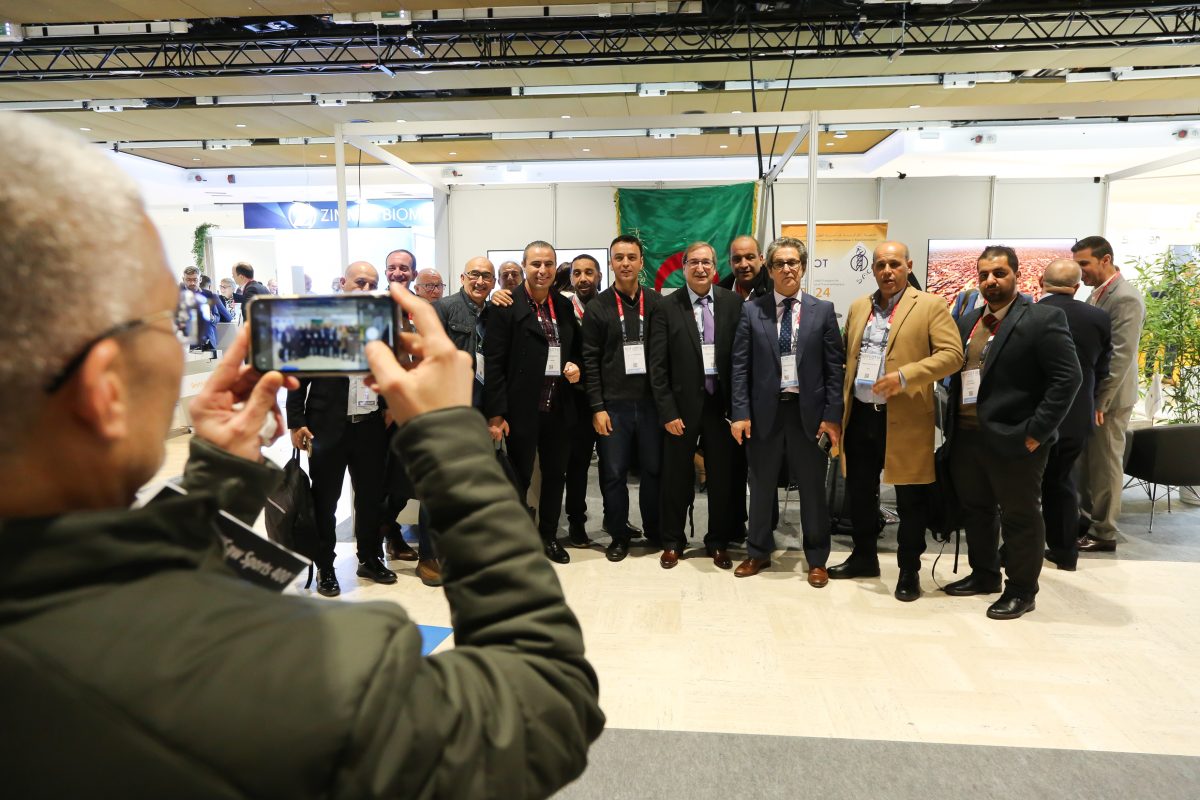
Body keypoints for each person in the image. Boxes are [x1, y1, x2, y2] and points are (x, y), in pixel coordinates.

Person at [0, 113, 603, 796]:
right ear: (104, 390)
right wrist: (452, 438)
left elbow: (135, 584)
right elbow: (543, 707)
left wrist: (215, 484)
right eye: (165, 319)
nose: (178, 343)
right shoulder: (284, 675)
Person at [943, 245, 1080, 620]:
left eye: (999, 273)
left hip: (1017, 438)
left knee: (1020, 516)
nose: (990, 280)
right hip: (968, 436)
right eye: (984, 274)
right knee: (977, 510)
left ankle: (1021, 590)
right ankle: (984, 574)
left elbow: (1068, 378)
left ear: (1017, 275)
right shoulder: (968, 321)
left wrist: (1038, 431)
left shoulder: (1042, 318)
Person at [829, 241, 963, 601]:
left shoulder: (930, 305)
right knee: (859, 493)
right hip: (860, 415)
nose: (887, 271)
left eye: (894, 264)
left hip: (905, 417)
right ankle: (863, 557)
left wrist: (905, 376)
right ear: (873, 269)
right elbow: (846, 356)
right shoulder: (859, 307)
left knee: (910, 498)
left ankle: (909, 571)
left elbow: (953, 355)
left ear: (908, 266)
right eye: (881, 265)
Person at [731, 236, 845, 586]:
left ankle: (817, 559)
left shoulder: (822, 310)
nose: (786, 269)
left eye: (792, 262)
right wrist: (740, 413)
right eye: (779, 263)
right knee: (761, 487)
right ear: (769, 269)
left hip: (808, 415)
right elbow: (740, 367)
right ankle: (758, 551)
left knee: (812, 490)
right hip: (764, 414)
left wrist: (832, 417)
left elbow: (834, 369)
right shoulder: (753, 310)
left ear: (803, 267)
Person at [286, 262, 396, 597]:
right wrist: (296, 421)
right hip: (326, 427)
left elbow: (389, 370)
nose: (366, 289)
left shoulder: (382, 324)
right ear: (343, 283)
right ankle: (326, 566)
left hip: (370, 426)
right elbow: (296, 376)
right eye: (360, 282)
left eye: (373, 283)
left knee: (370, 498)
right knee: (325, 501)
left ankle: (370, 558)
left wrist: (389, 404)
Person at [648, 242, 747, 570]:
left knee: (721, 479)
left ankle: (717, 541)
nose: (700, 268)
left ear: (715, 267)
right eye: (694, 262)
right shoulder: (666, 306)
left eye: (706, 262)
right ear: (684, 267)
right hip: (681, 410)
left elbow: (741, 360)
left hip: (722, 409)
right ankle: (672, 541)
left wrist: (739, 409)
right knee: (676, 479)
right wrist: (667, 411)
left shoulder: (733, 303)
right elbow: (657, 365)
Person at [484, 240, 584, 564]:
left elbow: (576, 350)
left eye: (548, 264)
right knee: (519, 478)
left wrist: (575, 366)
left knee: (555, 476)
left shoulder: (563, 306)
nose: (543, 270)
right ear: (524, 266)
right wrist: (496, 413)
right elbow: (494, 364)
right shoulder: (506, 305)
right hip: (521, 410)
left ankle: (548, 537)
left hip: (558, 408)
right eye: (536, 264)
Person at [582, 236, 663, 562]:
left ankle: (655, 528)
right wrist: (597, 407)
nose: (625, 263)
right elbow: (590, 360)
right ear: (611, 263)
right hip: (613, 407)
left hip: (651, 405)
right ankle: (618, 534)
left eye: (631, 257)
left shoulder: (657, 303)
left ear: (641, 262)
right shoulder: (598, 307)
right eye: (619, 257)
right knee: (613, 474)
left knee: (653, 471)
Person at [1038, 259, 1112, 571]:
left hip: (1037, 415)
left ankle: (1014, 551)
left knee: (1026, 487)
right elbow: (1103, 368)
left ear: (1041, 282)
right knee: (1063, 482)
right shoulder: (1098, 317)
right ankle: (1065, 552)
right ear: (1077, 286)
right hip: (1078, 412)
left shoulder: (1030, 314)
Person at [1074, 235, 1146, 554]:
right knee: (1089, 463)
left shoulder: (1125, 297)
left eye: (1084, 263)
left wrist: (1101, 400)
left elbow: (1121, 355)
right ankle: (1088, 522)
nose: (1080, 271)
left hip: (1111, 399)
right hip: (1094, 396)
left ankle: (1104, 532)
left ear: (1106, 259)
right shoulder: (1098, 293)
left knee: (1105, 464)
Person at [564, 254, 603, 548]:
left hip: (609, 397)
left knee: (613, 466)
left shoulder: (609, 305)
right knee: (578, 464)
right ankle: (576, 520)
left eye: (589, 272)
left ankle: (616, 518)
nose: (583, 278)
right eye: (577, 273)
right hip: (576, 398)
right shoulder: (564, 308)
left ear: (599, 275)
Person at [435, 256, 496, 410]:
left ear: (494, 283)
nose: (480, 282)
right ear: (463, 278)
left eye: (486, 276)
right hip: (452, 402)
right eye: (474, 274)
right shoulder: (442, 308)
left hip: (485, 400)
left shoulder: (495, 313)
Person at [182, 265, 232, 351]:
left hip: (208, 341)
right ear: (183, 279)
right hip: (185, 343)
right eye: (188, 280)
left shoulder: (209, 294)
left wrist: (212, 318)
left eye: (195, 279)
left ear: (200, 280)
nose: (192, 283)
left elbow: (217, 316)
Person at [719, 235, 773, 300]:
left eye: (750, 257)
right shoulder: (718, 294)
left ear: (761, 259)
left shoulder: (776, 290)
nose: (744, 265)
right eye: (737, 259)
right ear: (730, 263)